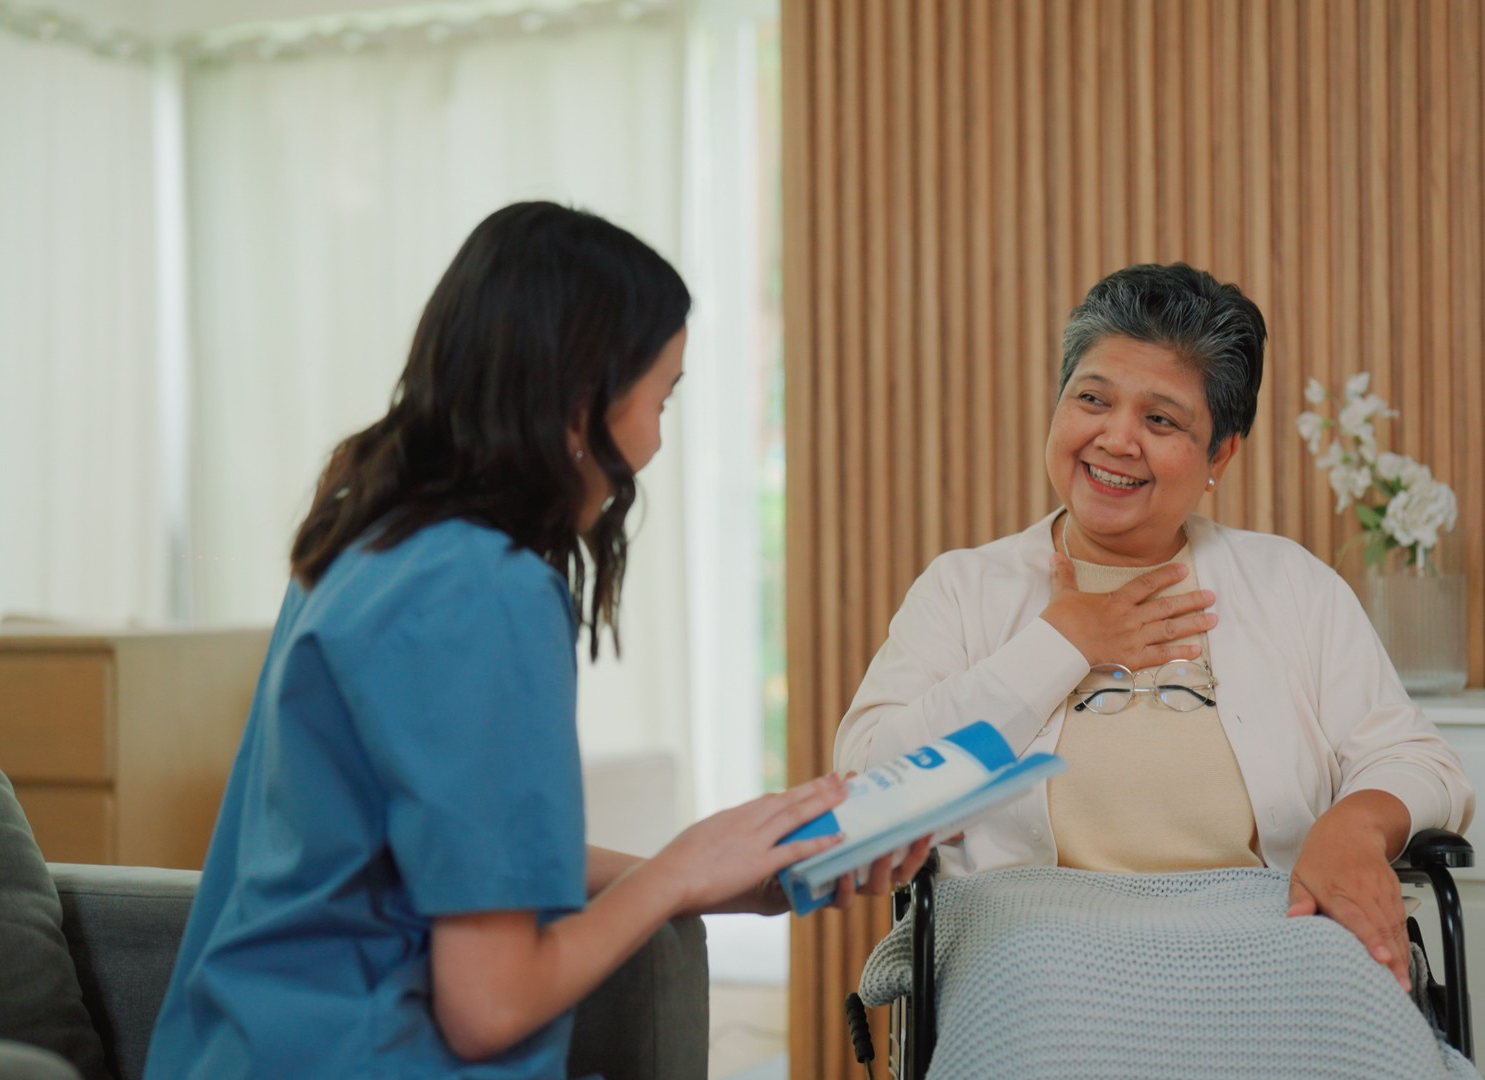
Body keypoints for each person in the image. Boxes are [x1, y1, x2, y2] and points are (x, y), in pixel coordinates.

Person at [146, 202, 921, 1078]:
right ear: (580, 398)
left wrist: (711, 871)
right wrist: (675, 876)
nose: (657, 442)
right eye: (660, 400)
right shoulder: (492, 591)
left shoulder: (360, 535)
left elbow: (446, 849)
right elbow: (490, 1005)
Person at [836, 262, 1474, 995]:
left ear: (1219, 455)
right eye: (1092, 400)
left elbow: (1420, 761)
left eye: (1161, 419)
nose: (1116, 438)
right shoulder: (964, 590)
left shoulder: (1290, 586)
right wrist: (1060, 645)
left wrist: (1355, 827)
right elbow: (869, 786)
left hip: (1268, 945)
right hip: (1034, 959)